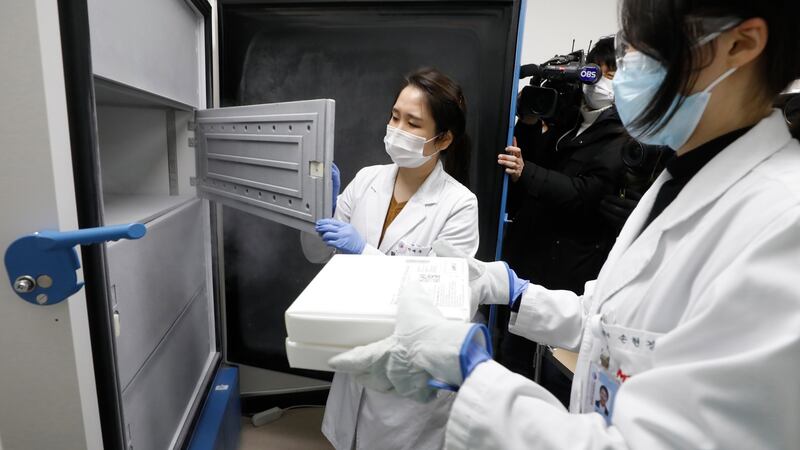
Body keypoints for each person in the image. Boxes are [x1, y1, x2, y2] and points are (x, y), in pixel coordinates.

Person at [328, 1, 800, 448]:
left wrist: (474, 379)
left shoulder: (783, 225)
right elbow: (612, 324)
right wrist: (516, 292)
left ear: (740, 44)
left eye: (644, 46)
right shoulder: (680, 181)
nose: (626, 65)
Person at [316, 68, 479, 450]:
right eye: (394, 116)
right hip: (357, 350)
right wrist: (318, 210)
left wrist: (364, 252)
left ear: (443, 139)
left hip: (410, 375)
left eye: (412, 122)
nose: (397, 128)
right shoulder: (365, 180)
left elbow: (441, 302)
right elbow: (321, 257)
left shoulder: (458, 205)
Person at [495, 38, 648, 394]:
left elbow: (584, 194)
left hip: (567, 268)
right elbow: (535, 164)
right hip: (529, 253)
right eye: (599, 72)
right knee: (510, 357)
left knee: (547, 374)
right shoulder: (568, 121)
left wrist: (526, 171)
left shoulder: (627, 139)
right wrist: (530, 122)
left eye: (614, 74)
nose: (603, 82)